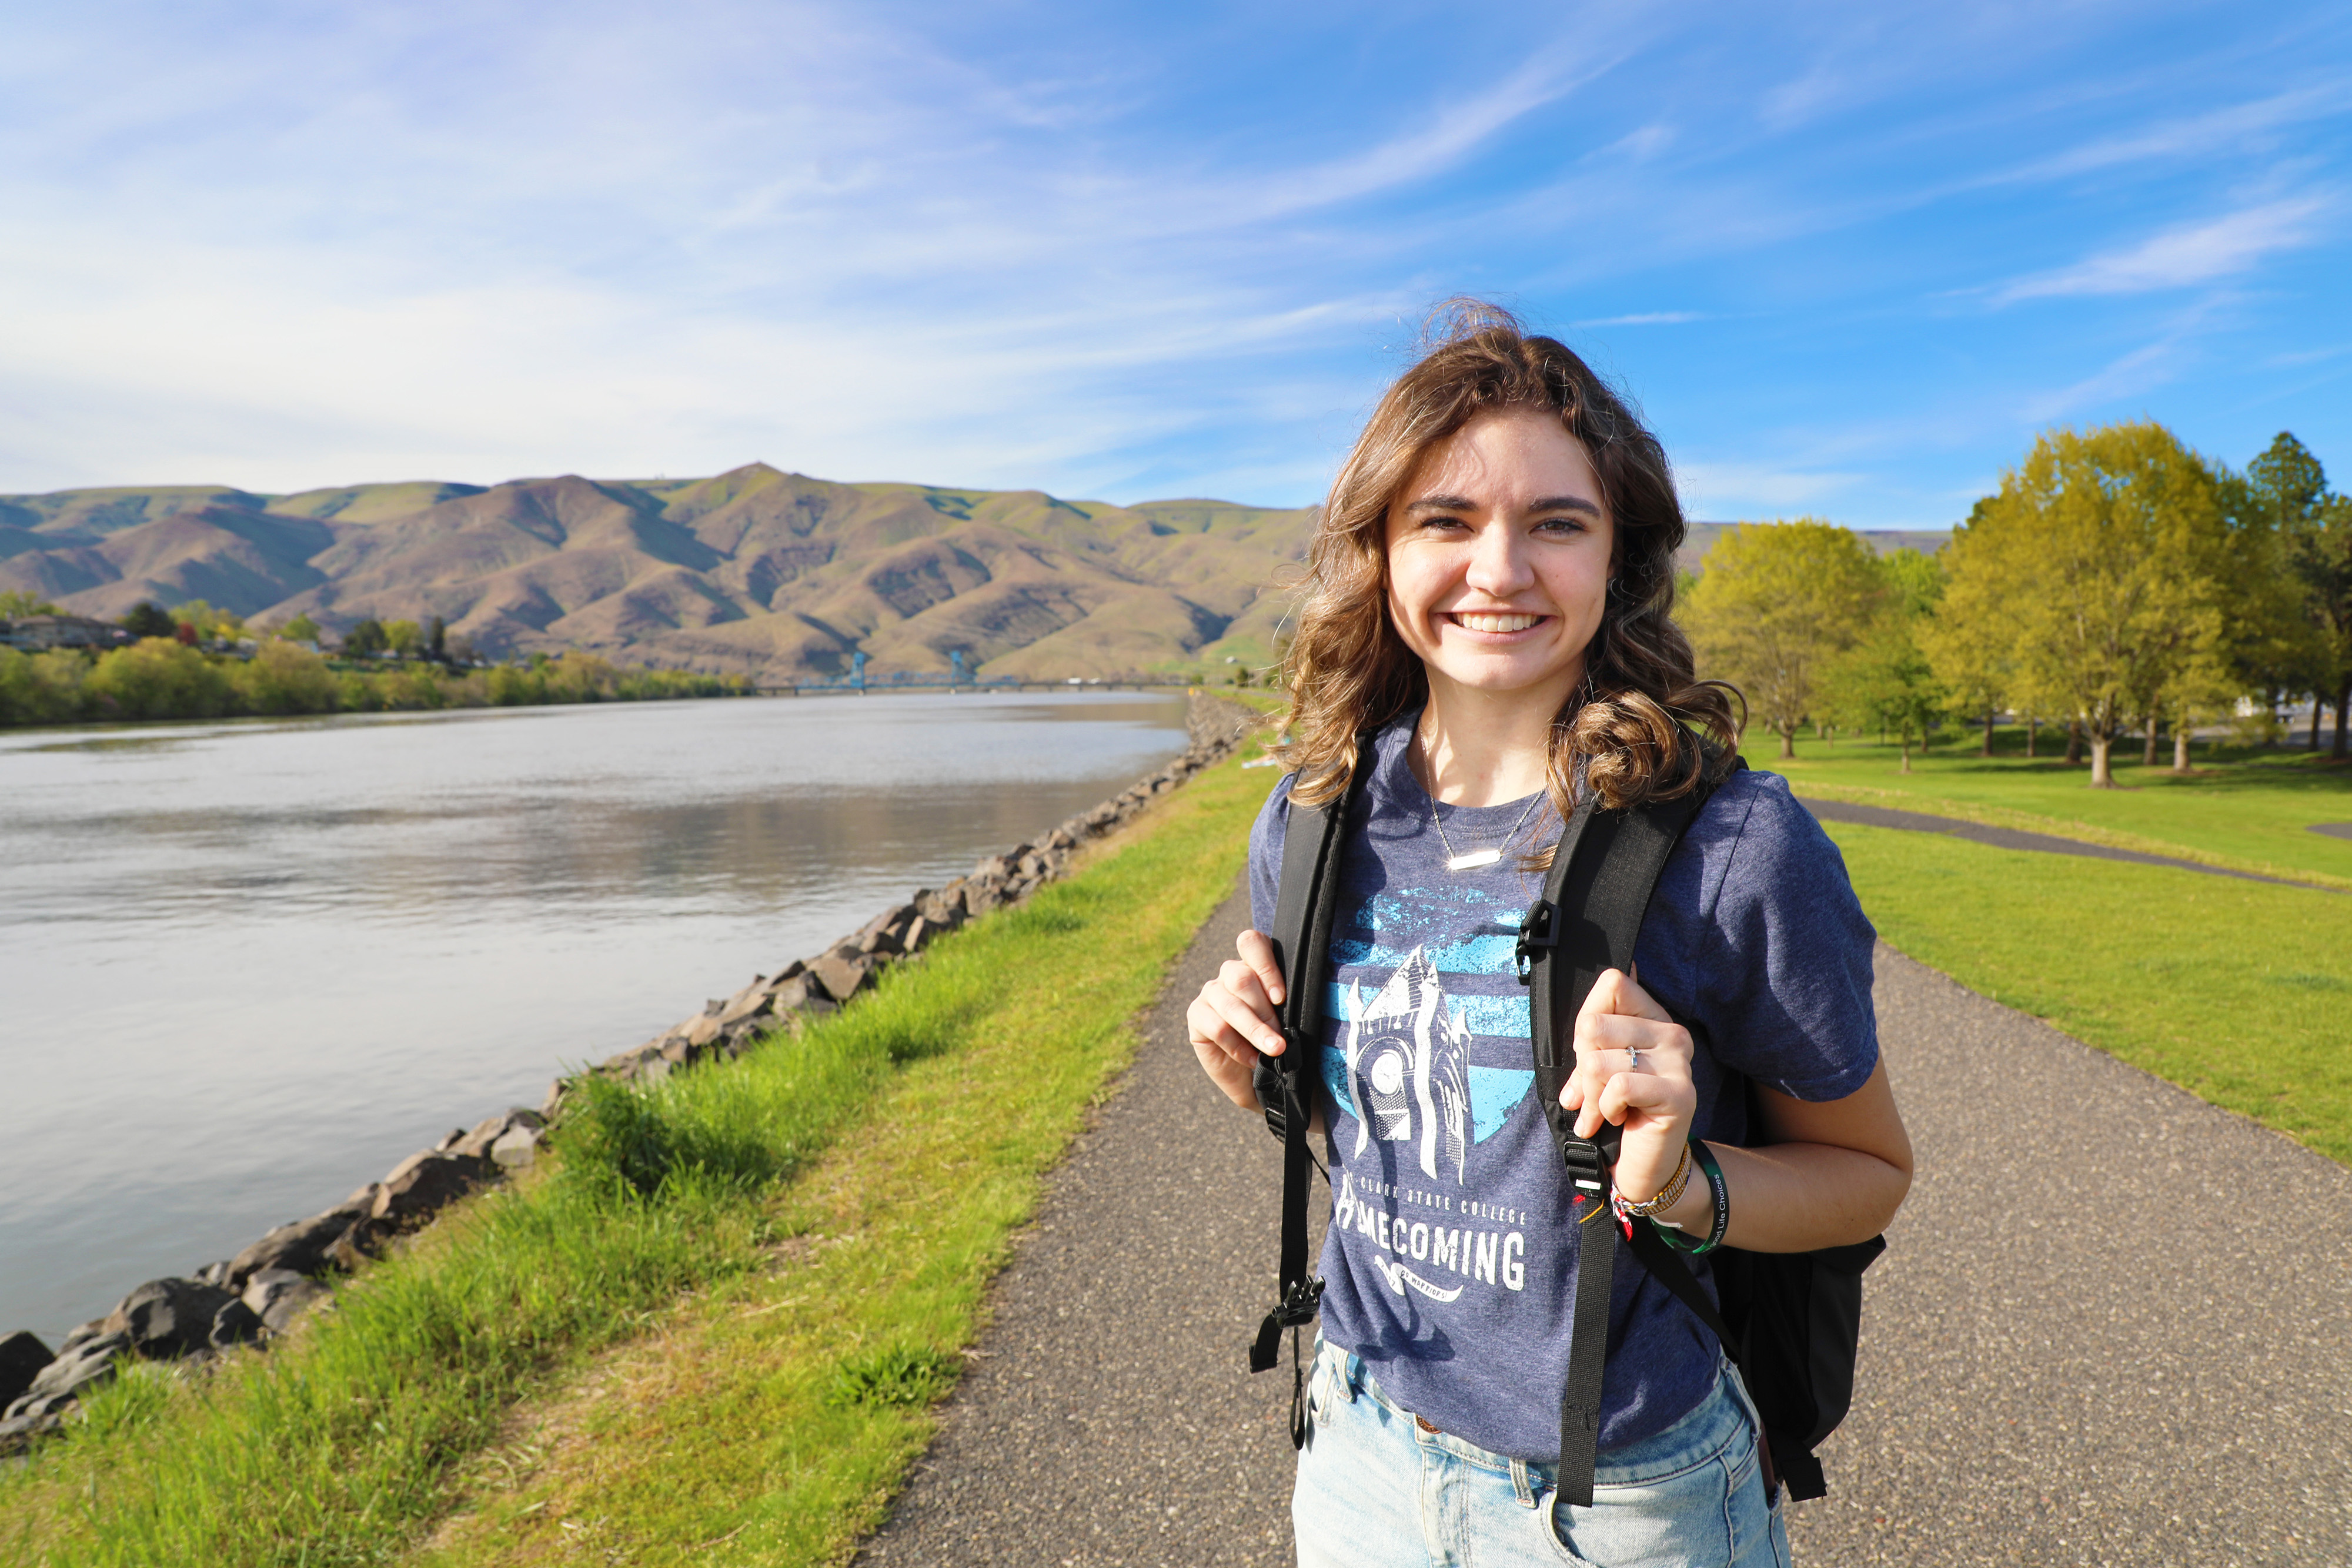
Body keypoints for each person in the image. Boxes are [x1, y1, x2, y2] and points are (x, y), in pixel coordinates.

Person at [1187, 303, 1913, 1567]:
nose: (1500, 569)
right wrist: (1263, 1079)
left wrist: (1686, 1186)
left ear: (1615, 553)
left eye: (1555, 523)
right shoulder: (1308, 815)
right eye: (1445, 519)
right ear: (1378, 551)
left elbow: (1867, 1169)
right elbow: (1380, 1144)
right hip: (1357, 1447)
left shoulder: (1731, 841)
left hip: (1621, 1498)